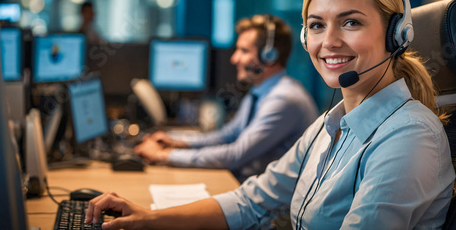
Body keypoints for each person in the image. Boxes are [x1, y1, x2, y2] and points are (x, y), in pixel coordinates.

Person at [86, 0, 455, 229]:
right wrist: (148, 220)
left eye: (351, 22)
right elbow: (252, 200)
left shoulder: (409, 136)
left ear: (398, 34)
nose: (328, 42)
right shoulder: (330, 124)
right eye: (316, 25)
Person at [134, 14, 319, 182]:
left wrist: (163, 156)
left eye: (244, 51)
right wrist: (178, 142)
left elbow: (235, 155)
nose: (234, 58)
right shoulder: (260, 92)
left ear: (269, 55)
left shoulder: (283, 100)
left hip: (275, 211)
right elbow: (228, 135)